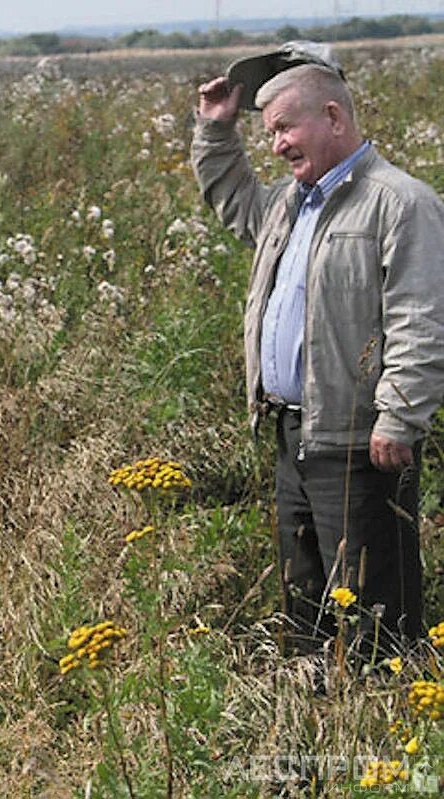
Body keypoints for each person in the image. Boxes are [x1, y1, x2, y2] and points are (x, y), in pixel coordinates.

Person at [192, 43, 444, 658]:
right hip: (291, 433)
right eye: (268, 131)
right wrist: (216, 130)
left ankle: (386, 723)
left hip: (359, 441)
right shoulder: (288, 203)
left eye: (284, 127)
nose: (275, 144)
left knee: (371, 602)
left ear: (333, 117)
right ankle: (312, 717)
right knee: (304, 594)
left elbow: (422, 316)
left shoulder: (399, 202)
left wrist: (399, 416)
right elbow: (233, 200)